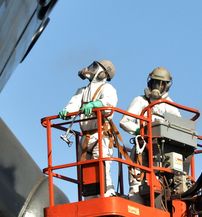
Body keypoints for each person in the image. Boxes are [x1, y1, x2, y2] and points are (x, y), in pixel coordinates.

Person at [59, 60, 117, 197]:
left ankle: (108, 194)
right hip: (86, 137)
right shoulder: (83, 91)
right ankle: (90, 198)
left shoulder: (107, 88)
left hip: (101, 134)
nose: (91, 69)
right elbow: (73, 104)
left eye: (95, 67)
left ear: (103, 73)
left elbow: (109, 104)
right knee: (85, 170)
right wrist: (67, 112)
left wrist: (95, 104)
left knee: (102, 167)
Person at [119, 67, 181, 197]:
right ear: (150, 83)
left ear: (166, 87)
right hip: (142, 149)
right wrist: (138, 130)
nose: (157, 87)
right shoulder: (140, 101)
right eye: (155, 83)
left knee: (163, 184)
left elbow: (180, 127)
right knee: (137, 183)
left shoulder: (170, 105)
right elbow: (124, 121)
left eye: (161, 84)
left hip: (162, 152)